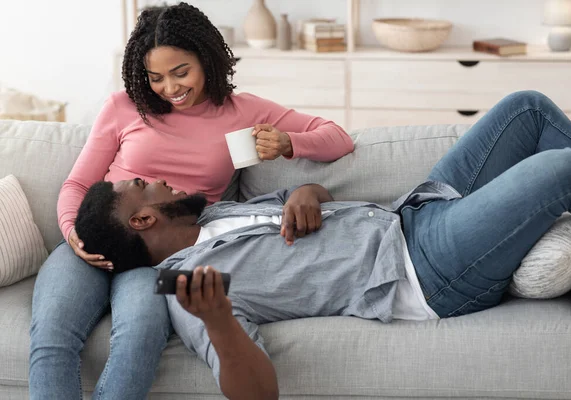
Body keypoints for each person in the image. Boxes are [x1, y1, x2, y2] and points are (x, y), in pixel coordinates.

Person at [73, 90, 571, 400]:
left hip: (413, 210)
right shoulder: (192, 286)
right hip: (425, 267)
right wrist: (217, 320)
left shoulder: (218, 212)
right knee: (565, 171)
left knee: (524, 109)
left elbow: (314, 193)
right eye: (143, 185)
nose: (156, 179)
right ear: (142, 220)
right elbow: (257, 394)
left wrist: (305, 191)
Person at [28, 2, 354, 399]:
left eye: (181, 72)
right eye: (156, 78)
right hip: (90, 241)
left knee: (139, 336)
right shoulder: (122, 107)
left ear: (207, 59)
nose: (170, 89)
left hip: (164, 258)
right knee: (51, 338)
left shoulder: (241, 111)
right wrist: (72, 234)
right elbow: (77, 183)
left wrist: (289, 143)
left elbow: (337, 136)